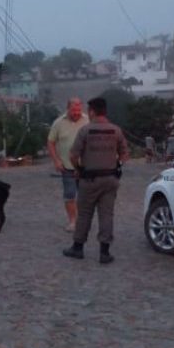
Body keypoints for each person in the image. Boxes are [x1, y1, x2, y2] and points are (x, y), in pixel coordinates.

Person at [62, 97, 129, 264]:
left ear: (91, 112)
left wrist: (78, 169)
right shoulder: (116, 130)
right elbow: (125, 153)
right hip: (110, 178)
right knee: (107, 215)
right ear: (105, 111)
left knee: (84, 214)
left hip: (89, 179)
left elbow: (73, 155)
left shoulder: (85, 131)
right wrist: (118, 166)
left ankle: (78, 248)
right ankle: (104, 252)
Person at [47, 97, 89, 232]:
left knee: (85, 196)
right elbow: (50, 142)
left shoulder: (88, 121)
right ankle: (73, 221)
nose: (76, 113)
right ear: (68, 109)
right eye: (73, 110)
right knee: (70, 195)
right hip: (67, 167)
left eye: (78, 110)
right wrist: (56, 161)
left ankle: (83, 221)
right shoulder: (58, 123)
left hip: (85, 167)